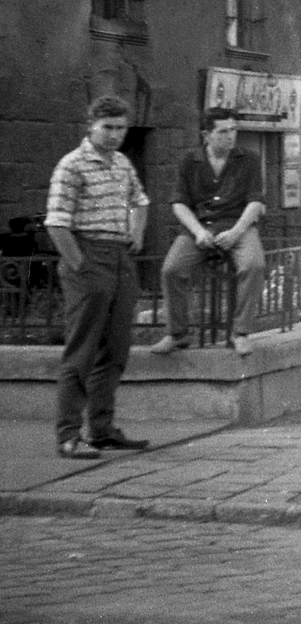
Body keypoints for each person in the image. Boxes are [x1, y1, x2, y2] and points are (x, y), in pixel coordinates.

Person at [44, 95, 152, 458]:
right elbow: (57, 224)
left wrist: (136, 235)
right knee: (82, 351)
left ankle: (102, 429)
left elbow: (141, 200)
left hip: (120, 258)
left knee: (117, 349)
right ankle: (68, 436)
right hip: (88, 256)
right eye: (107, 127)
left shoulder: (122, 163)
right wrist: (80, 265)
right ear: (91, 126)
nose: (115, 135)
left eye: (121, 128)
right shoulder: (71, 166)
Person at [152, 109, 266, 354]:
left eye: (233, 130)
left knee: (253, 265)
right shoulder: (189, 161)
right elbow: (179, 202)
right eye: (223, 131)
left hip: (238, 225)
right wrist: (197, 232)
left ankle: (241, 332)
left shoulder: (250, 159)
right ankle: (178, 334)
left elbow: (255, 202)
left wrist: (236, 232)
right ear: (207, 134)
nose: (230, 136)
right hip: (200, 226)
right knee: (172, 269)